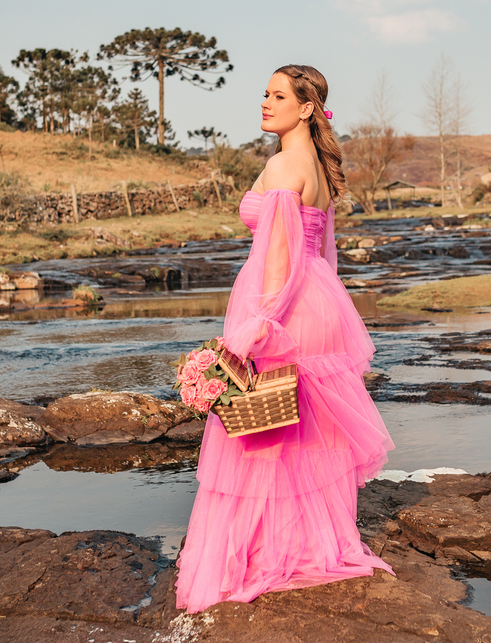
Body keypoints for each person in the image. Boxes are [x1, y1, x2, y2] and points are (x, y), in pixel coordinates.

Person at [174, 64, 395, 614]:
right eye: (265, 93)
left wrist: (257, 326)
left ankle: (267, 552)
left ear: (305, 108)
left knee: (265, 430)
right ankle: (312, 541)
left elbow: (277, 256)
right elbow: (324, 255)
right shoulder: (315, 167)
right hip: (320, 299)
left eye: (278, 95)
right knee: (308, 429)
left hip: (285, 301)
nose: (266, 102)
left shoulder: (283, 164)